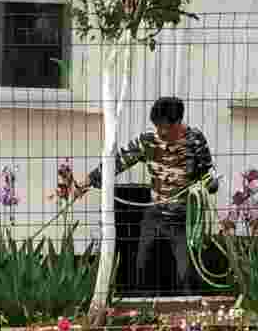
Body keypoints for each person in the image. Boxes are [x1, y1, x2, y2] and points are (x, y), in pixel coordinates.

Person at [77, 96, 218, 295]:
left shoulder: (195, 140)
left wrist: (211, 184)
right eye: (157, 126)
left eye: (166, 127)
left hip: (184, 218)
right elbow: (118, 162)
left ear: (178, 123)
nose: (161, 131)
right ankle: (142, 309)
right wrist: (88, 180)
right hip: (155, 213)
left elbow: (206, 173)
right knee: (141, 263)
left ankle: (190, 308)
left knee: (186, 270)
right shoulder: (148, 141)